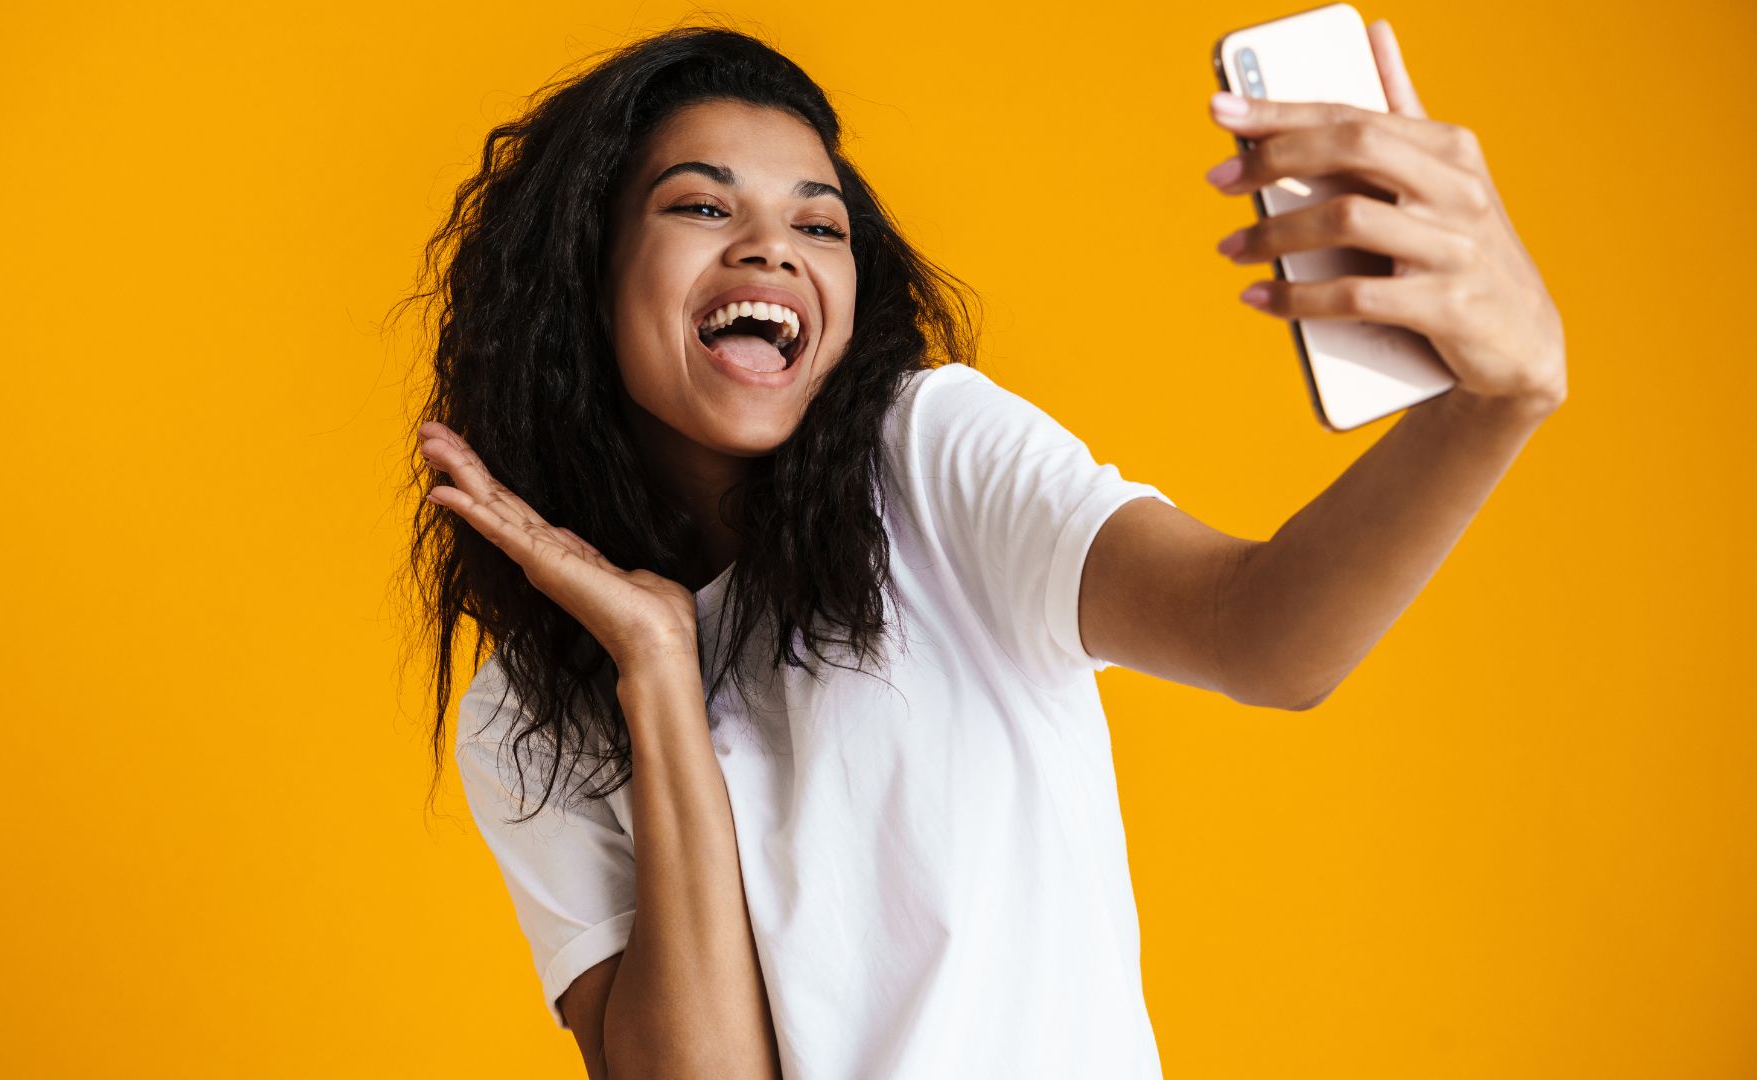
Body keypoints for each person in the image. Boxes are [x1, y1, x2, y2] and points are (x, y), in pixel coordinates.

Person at [406, 21, 1565, 1080]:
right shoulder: (525, 717)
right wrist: (656, 671)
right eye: (703, 208)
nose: (774, 249)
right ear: (586, 280)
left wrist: (1490, 405)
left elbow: (1263, 638)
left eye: (820, 224)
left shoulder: (926, 455)